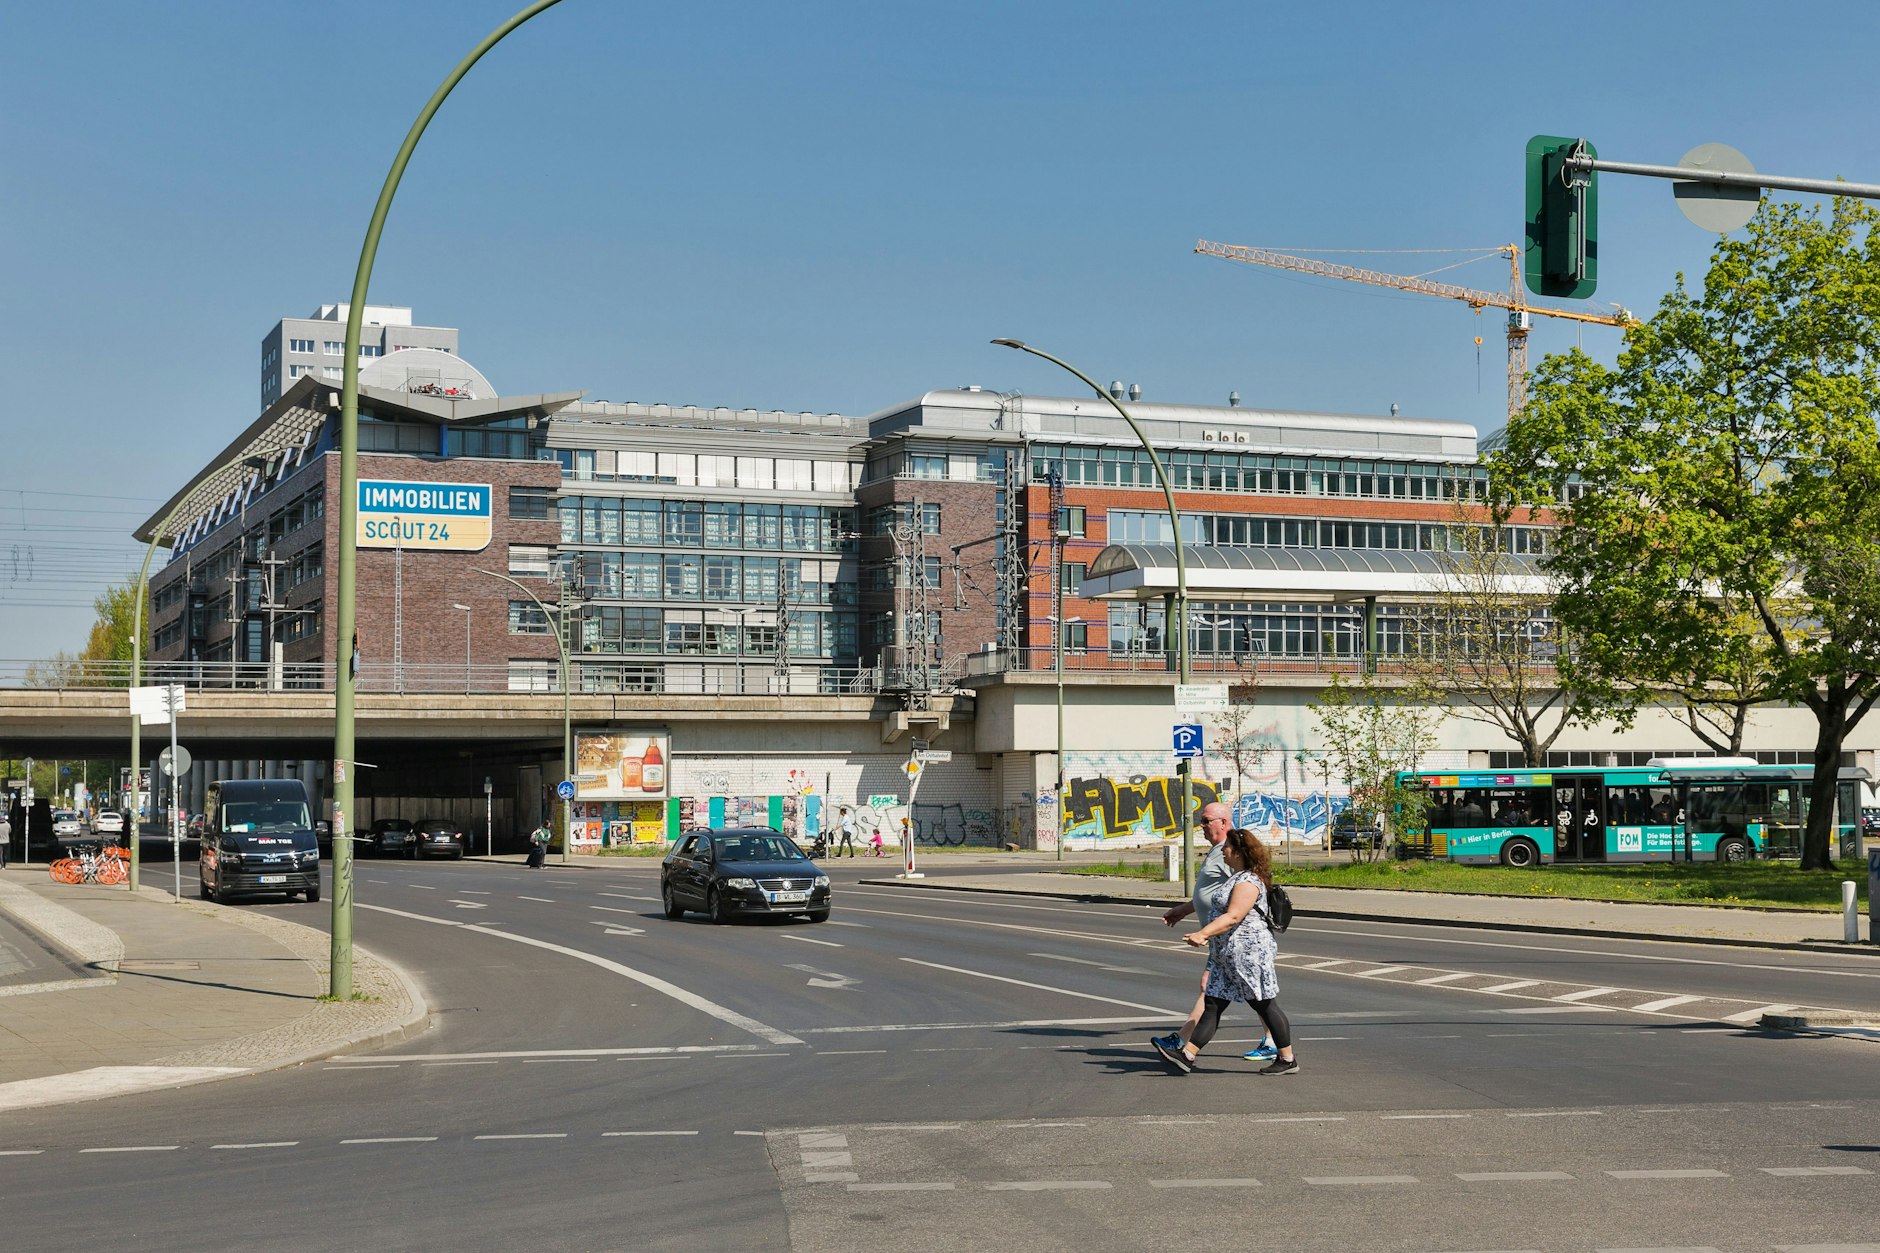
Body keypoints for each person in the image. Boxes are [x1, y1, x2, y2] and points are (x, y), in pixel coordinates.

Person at [1154, 825, 1298, 1076]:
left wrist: (1203, 933)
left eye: (1228, 848)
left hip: (1248, 955)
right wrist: (1184, 911)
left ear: (1239, 852)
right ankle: (1187, 1055)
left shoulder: (1249, 881)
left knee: (1264, 1004)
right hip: (1227, 955)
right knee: (1213, 1004)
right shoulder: (1236, 877)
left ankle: (1287, 1059)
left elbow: (1233, 916)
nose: (1224, 851)